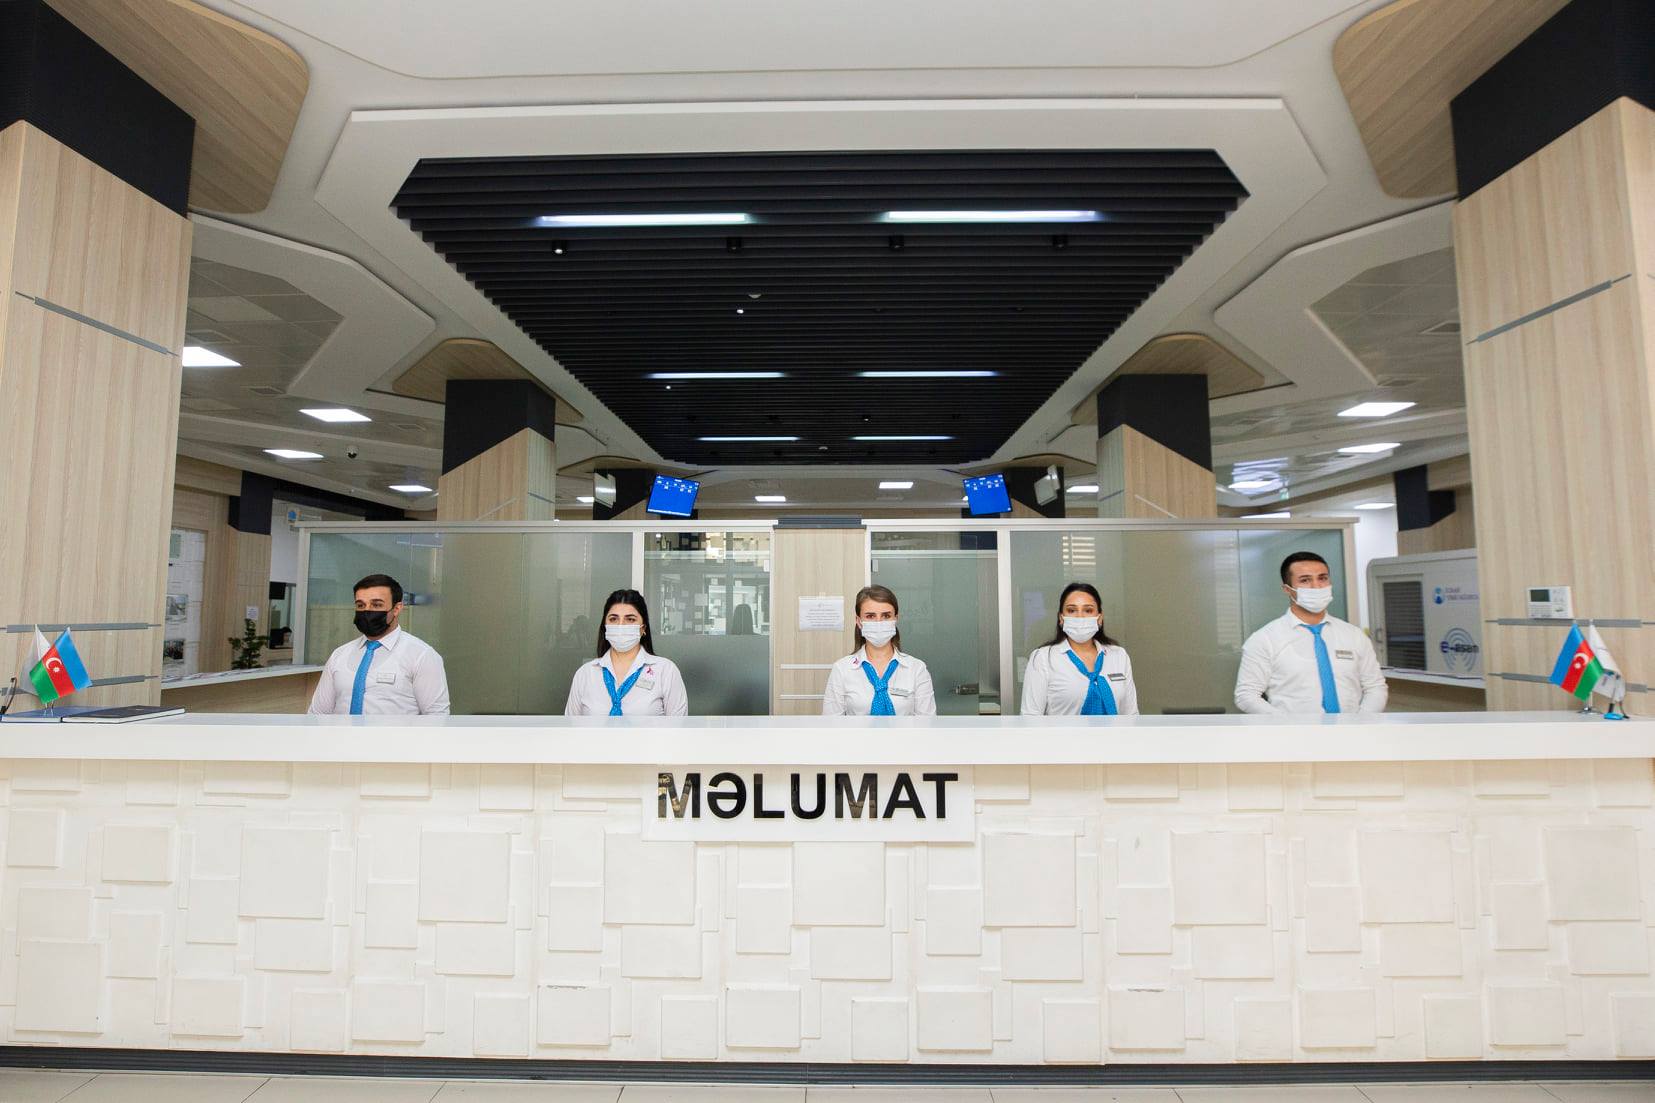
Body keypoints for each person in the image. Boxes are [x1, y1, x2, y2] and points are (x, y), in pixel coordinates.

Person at [1234, 550, 1387, 714]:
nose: (1316, 586)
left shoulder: (1354, 635)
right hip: (1292, 728)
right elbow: (1246, 695)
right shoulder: (1264, 639)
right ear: (1287, 589)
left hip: (1351, 727)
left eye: (1322, 578)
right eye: (1305, 580)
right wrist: (1286, 723)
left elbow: (1375, 687)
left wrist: (1361, 721)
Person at [309, 573, 450, 715]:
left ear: (397, 608)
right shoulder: (339, 655)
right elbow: (318, 714)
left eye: (377, 605)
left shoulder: (421, 655)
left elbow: (437, 717)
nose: (367, 611)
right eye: (360, 605)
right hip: (341, 730)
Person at [1020, 581, 1139, 715]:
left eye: (1088, 610)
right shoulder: (1043, 658)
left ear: (1099, 618)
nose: (1080, 617)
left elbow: (1131, 715)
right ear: (1061, 618)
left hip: (1116, 730)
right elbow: (1030, 717)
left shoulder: (1119, 656)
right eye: (1072, 610)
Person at [565, 589, 688, 716]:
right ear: (605, 626)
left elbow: (679, 726)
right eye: (613, 619)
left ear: (643, 628)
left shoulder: (666, 671)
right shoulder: (585, 674)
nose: (621, 625)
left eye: (630, 619)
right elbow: (570, 725)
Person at [821, 585, 936, 716]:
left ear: (895, 619)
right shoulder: (842, 669)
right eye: (870, 616)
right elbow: (832, 724)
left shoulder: (917, 669)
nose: (879, 622)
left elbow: (927, 723)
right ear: (858, 621)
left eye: (886, 616)